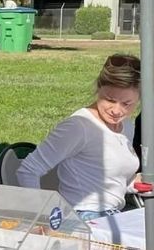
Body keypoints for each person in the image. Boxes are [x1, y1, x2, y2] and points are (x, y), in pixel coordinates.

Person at [17, 53, 141, 219]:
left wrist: (136, 183)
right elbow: (27, 170)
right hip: (82, 217)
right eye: (109, 99)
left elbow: (111, 181)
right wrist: (42, 216)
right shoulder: (78, 126)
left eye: (127, 104)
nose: (117, 110)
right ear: (98, 88)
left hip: (113, 214)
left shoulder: (126, 125)